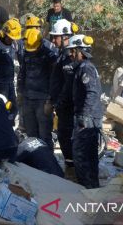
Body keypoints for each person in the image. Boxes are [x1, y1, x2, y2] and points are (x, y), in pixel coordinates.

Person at [67, 34, 103, 188]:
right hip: (88, 117)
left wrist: (85, 116)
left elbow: (92, 93)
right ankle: (92, 189)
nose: (71, 54)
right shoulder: (83, 67)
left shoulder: (86, 68)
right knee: (89, 156)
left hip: (87, 118)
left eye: (73, 51)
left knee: (81, 156)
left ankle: (87, 190)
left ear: (80, 51)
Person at [46, 19, 78, 173]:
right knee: (63, 137)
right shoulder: (61, 55)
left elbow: (68, 87)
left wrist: (56, 103)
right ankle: (70, 167)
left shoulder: (69, 58)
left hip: (69, 108)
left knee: (68, 138)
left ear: (65, 36)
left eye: (56, 37)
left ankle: (74, 171)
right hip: (62, 107)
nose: (53, 40)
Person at [17, 28, 57, 149]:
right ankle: (34, 160)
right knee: (31, 134)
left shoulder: (50, 56)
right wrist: (20, 92)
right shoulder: (27, 52)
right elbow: (22, 73)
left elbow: (54, 80)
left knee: (44, 135)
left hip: (43, 100)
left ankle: (47, 161)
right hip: (28, 98)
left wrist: (50, 101)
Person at [16, 15, 45, 131]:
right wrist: (20, 90)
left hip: (41, 94)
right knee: (30, 127)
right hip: (29, 92)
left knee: (42, 130)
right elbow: (22, 69)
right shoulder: (23, 44)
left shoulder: (46, 47)